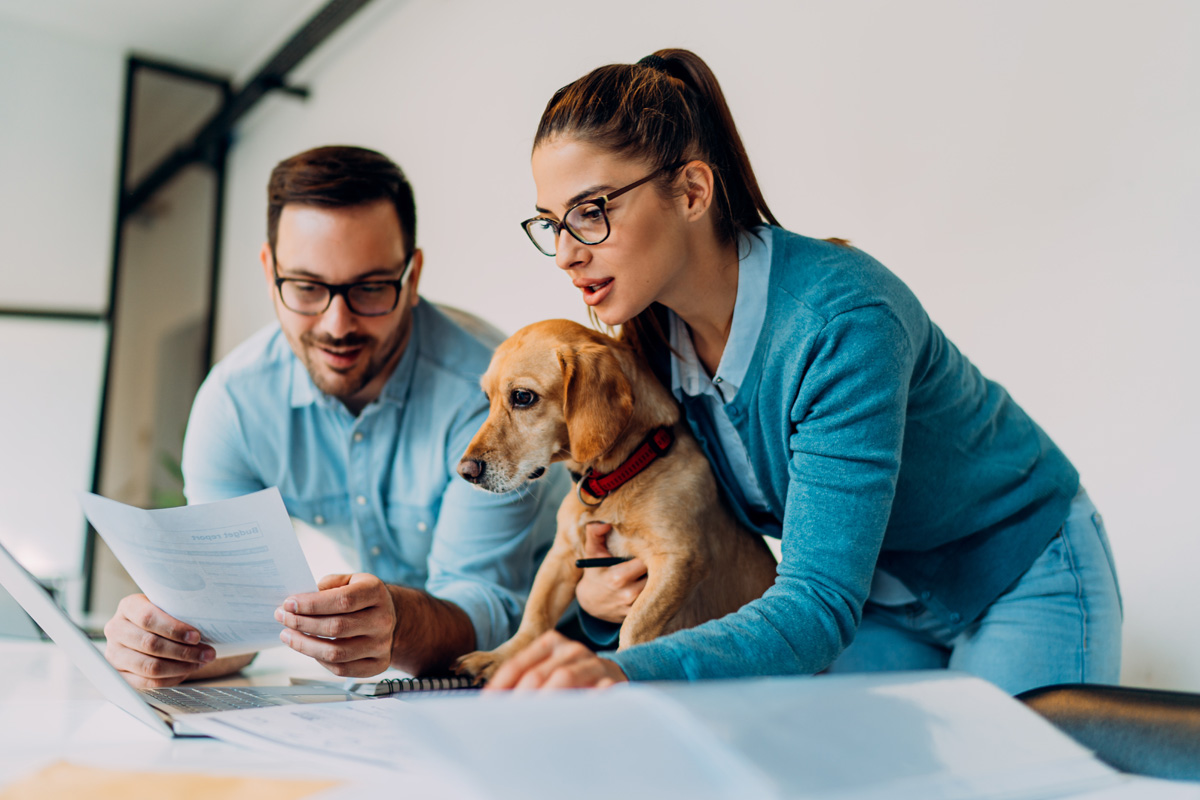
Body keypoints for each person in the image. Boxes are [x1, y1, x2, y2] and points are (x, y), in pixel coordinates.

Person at [486, 49, 1123, 696]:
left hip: (1016, 570)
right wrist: (598, 605)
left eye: (591, 211)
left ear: (692, 192)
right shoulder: (648, 348)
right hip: (878, 601)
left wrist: (618, 671)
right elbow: (644, 529)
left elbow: (816, 605)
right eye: (550, 223)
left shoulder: (841, 323)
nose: (566, 254)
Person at [103, 145, 565, 688]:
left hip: (561, 648)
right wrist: (171, 643)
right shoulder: (234, 405)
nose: (336, 324)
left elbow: (489, 612)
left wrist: (396, 625)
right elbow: (231, 621)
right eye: (305, 287)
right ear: (269, 270)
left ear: (412, 276)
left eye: (370, 288)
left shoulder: (488, 393)